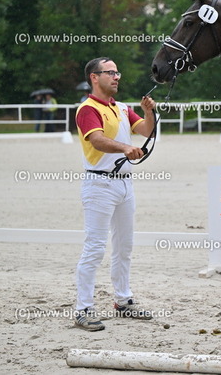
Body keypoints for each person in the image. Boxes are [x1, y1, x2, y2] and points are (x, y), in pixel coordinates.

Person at [73, 57, 157, 331]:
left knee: (124, 246)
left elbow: (146, 130)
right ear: (94, 77)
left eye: (117, 72)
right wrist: (124, 148)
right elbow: (96, 140)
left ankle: (123, 300)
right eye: (110, 72)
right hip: (100, 185)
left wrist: (149, 113)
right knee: (95, 248)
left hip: (124, 184)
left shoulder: (121, 108)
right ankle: (83, 308)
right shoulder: (87, 109)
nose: (116, 76)